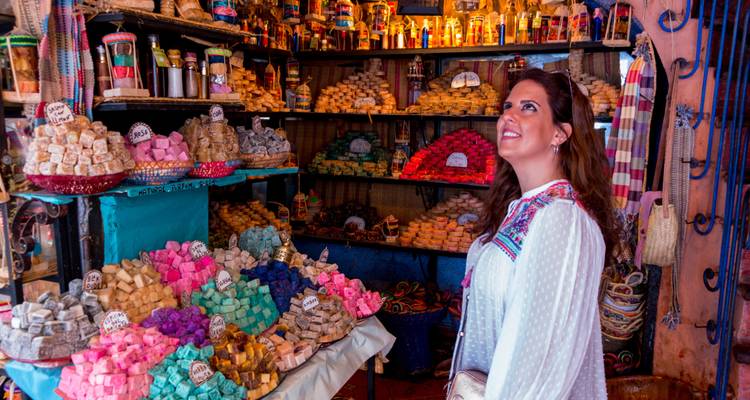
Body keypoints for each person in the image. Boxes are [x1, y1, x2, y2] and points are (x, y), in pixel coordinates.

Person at [449, 68, 619, 399]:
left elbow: (540, 357)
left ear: (560, 133)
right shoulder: (522, 209)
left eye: (528, 107)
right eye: (507, 107)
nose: (508, 117)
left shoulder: (563, 220)